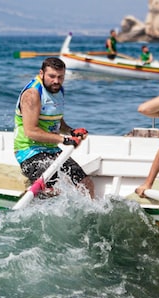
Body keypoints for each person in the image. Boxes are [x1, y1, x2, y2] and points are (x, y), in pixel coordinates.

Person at [13, 57, 95, 198]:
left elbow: (56, 119)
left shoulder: (58, 90)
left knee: (86, 184)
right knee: (51, 190)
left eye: (60, 77)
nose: (56, 81)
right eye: (51, 76)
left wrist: (71, 131)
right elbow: (30, 131)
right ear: (41, 73)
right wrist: (64, 139)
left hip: (52, 150)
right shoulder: (32, 94)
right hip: (29, 153)